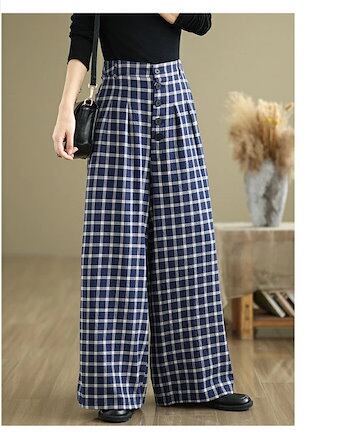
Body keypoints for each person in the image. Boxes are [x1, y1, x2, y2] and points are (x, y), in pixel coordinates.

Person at [52, 13, 253, 423]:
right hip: (119, 98)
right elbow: (83, 34)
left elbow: (201, 21)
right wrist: (65, 109)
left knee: (188, 242)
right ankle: (114, 389)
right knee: (115, 247)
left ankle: (197, 382)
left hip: (173, 92)